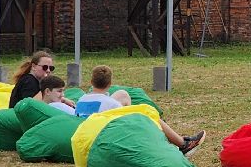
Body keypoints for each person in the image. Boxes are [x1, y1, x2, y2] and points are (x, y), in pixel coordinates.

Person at [74, 64, 205, 153]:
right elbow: (128, 121)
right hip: (101, 138)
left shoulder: (81, 100)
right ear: (109, 83)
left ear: (91, 82)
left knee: (122, 94)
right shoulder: (111, 104)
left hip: (84, 138)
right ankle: (182, 144)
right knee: (147, 114)